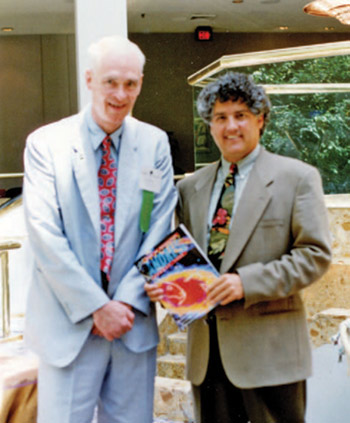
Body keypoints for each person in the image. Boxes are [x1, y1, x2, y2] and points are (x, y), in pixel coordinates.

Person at [146, 72, 332, 423]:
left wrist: (246, 283)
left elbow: (314, 255)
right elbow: (190, 262)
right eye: (220, 117)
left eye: (240, 115)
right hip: (207, 361)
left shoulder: (297, 178)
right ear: (210, 126)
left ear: (260, 120)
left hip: (271, 358)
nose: (230, 126)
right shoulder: (190, 188)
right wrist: (167, 286)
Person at [23, 35, 177, 423]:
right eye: (111, 81)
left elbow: (158, 227)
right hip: (69, 325)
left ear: (141, 83)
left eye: (131, 83)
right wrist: (96, 306)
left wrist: (122, 304)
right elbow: (44, 236)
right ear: (89, 80)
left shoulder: (154, 143)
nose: (121, 94)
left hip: (131, 323)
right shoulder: (46, 144)